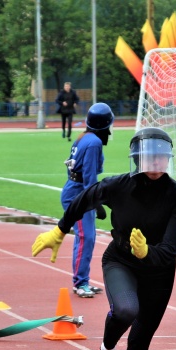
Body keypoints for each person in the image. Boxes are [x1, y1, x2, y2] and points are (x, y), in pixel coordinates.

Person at [32, 127, 176, 350]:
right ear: (137, 157)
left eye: (161, 156)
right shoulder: (118, 186)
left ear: (168, 159)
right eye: (149, 155)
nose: (155, 161)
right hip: (121, 261)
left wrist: (148, 253)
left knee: (141, 341)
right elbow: (84, 198)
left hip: (159, 272)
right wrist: (60, 229)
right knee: (126, 309)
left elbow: (172, 246)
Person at [60, 102, 114, 298]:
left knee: (86, 237)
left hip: (76, 192)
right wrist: (96, 204)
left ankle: (82, 279)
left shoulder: (84, 137)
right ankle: (80, 282)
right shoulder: (94, 143)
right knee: (86, 237)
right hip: (79, 196)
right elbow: (90, 179)